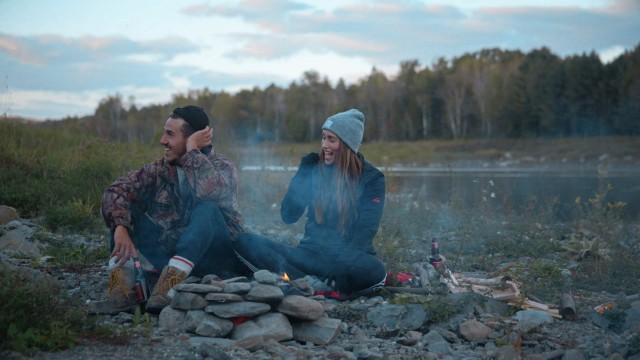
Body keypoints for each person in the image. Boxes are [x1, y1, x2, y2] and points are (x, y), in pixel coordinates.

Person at [99, 105, 247, 314]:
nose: (162, 141)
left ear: (193, 138)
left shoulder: (223, 167)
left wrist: (192, 152)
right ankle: (121, 293)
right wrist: (120, 227)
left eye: (170, 134)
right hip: (174, 255)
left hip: (213, 258)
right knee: (122, 214)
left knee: (208, 210)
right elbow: (116, 190)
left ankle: (166, 288)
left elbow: (210, 191)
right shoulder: (160, 169)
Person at [234, 109, 387, 295]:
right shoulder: (314, 168)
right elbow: (289, 215)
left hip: (347, 258)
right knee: (245, 241)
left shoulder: (371, 178)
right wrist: (303, 172)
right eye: (323, 138)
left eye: (332, 139)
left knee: (375, 271)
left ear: (347, 145)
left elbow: (364, 234)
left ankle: (302, 281)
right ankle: (311, 283)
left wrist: (337, 262)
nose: (324, 145)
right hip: (310, 255)